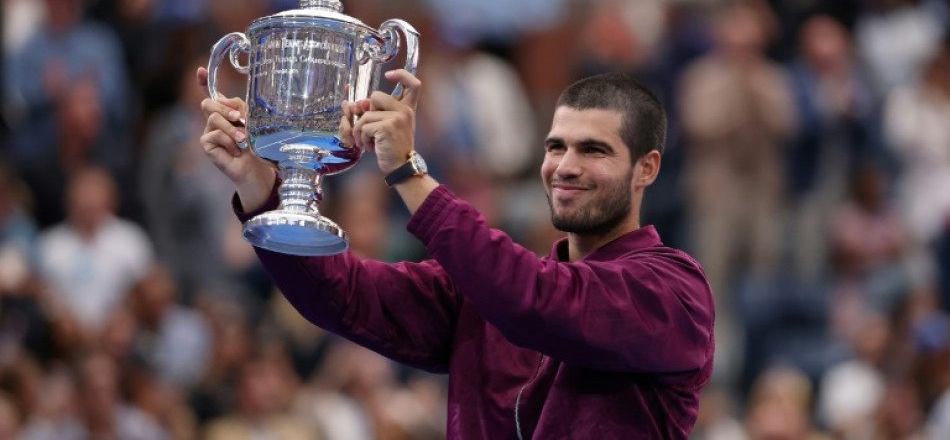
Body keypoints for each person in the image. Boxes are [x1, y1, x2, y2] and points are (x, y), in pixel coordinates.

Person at [199, 68, 715, 438]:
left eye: (593, 150)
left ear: (646, 169)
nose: (565, 166)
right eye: (556, 146)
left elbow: (539, 303)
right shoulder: (483, 290)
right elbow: (344, 295)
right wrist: (262, 189)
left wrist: (407, 172)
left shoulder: (673, 292)